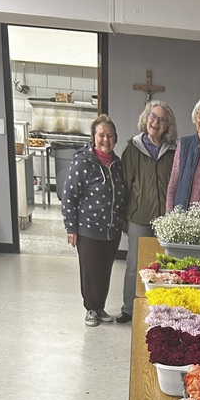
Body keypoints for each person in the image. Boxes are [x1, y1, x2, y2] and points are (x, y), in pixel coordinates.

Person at [62, 114, 126, 327]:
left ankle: (100, 307)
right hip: (88, 229)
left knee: (105, 270)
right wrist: (71, 227)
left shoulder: (117, 164)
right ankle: (90, 308)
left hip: (112, 230)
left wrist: (122, 220)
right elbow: (69, 195)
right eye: (101, 135)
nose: (105, 139)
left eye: (109, 135)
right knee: (90, 271)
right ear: (93, 137)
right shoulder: (83, 162)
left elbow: (123, 194)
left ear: (115, 139)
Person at [118, 100, 178, 324]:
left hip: (165, 220)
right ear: (146, 118)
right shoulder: (132, 149)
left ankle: (159, 309)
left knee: (162, 266)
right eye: (153, 116)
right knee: (134, 263)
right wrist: (124, 217)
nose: (156, 122)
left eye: (162, 119)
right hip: (138, 217)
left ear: (167, 125)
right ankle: (128, 307)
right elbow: (124, 185)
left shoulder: (174, 151)